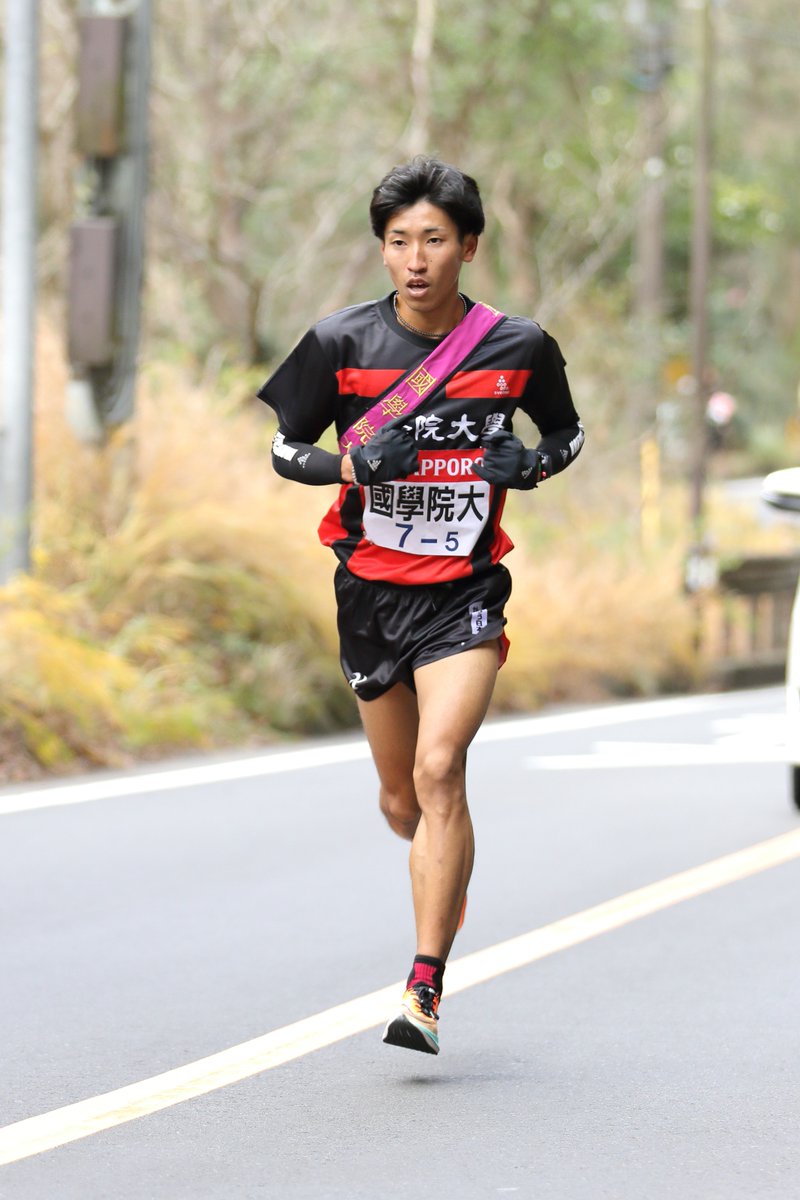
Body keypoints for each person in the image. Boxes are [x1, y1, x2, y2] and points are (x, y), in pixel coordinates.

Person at [258, 156, 584, 1055]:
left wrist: (537, 464)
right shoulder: (339, 344)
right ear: (383, 250)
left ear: (468, 247)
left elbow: (566, 431)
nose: (415, 258)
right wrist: (349, 464)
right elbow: (285, 450)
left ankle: (425, 987)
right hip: (369, 593)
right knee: (404, 801)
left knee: (444, 770)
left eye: (434, 240)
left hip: (466, 594)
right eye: (399, 241)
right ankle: (440, 862)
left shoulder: (517, 346)